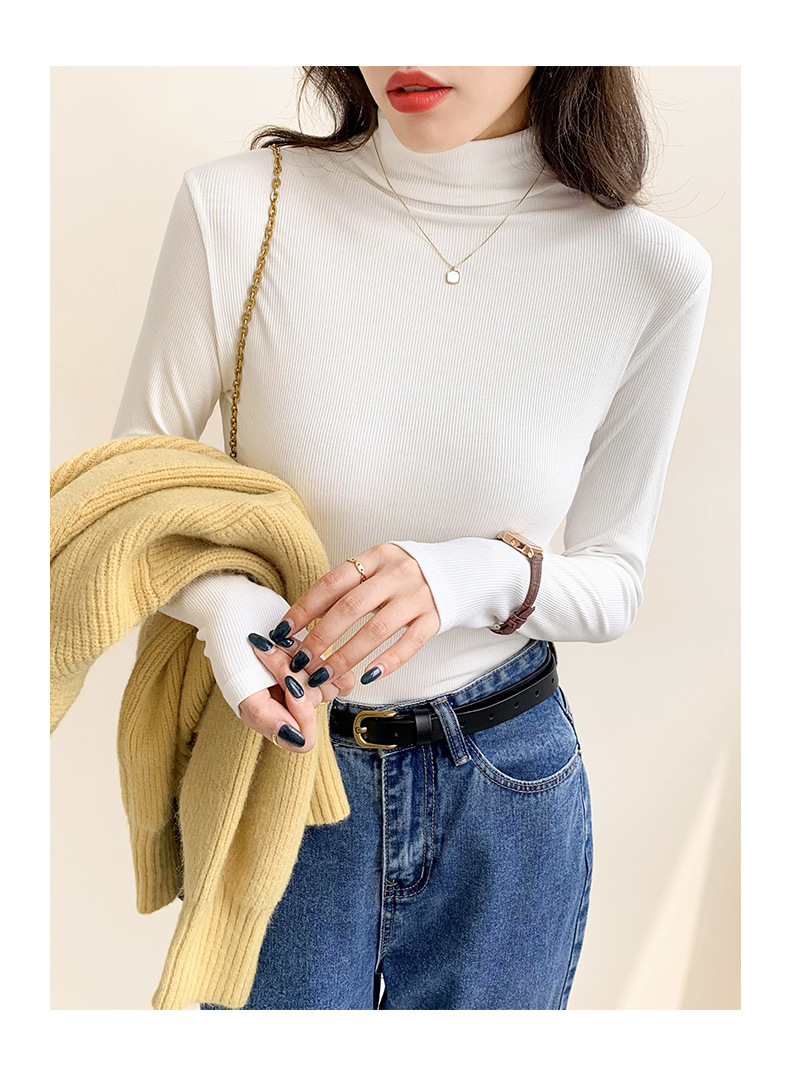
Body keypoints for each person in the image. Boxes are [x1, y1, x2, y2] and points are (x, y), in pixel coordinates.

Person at [111, 66, 712, 1010]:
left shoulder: (652, 268)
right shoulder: (239, 207)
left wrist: (474, 573)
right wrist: (230, 611)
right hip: (288, 769)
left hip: (507, 786)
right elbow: (130, 492)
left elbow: (615, 582)